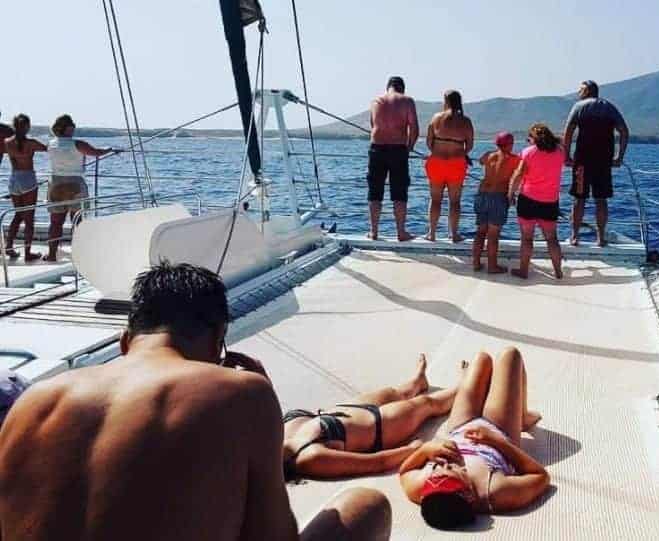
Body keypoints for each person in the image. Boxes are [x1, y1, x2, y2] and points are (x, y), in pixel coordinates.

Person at [0, 262, 391, 541]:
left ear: (125, 340)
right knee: (367, 506)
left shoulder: (35, 399)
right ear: (217, 340)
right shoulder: (242, 393)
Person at [398, 348, 549, 530]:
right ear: (469, 493)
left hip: (460, 427)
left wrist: (426, 450)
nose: (444, 465)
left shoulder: (427, 488)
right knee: (509, 356)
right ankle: (521, 417)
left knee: (481, 359)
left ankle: (504, 403)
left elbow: (404, 472)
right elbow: (541, 477)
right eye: (451, 469)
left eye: (436, 467)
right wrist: (497, 441)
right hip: (499, 429)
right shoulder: (495, 491)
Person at [284, 354, 457, 480]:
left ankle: (418, 382)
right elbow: (376, 463)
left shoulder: (276, 434)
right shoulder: (310, 458)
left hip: (344, 411)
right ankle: (466, 385)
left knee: (396, 392)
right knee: (428, 404)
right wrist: (413, 449)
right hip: (381, 426)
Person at [563, 80, 629, 247]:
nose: (578, 92)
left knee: (579, 199)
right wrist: (619, 156)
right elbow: (624, 131)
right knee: (601, 200)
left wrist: (566, 156)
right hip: (603, 161)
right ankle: (600, 238)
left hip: (582, 161)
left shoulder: (579, 107)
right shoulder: (609, 107)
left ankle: (575, 236)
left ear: (587, 91)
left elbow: (568, 133)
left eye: (581, 89)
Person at [45, 114, 114, 262]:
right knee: (77, 221)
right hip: (75, 183)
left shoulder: (50, 144)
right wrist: (109, 149)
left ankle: (51, 254)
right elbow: (96, 152)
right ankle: (80, 253)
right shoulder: (77, 144)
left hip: (56, 183)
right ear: (68, 128)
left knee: (56, 222)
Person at [508, 124, 565, 280]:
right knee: (552, 239)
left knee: (527, 238)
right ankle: (558, 272)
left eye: (529, 139)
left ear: (533, 139)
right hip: (550, 202)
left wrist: (510, 193)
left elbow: (518, 175)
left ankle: (523, 270)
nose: (528, 142)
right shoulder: (560, 153)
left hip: (528, 200)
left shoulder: (528, 153)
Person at [367, 76, 419, 241]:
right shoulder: (407, 101)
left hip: (377, 149)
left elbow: (372, 124)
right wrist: (409, 147)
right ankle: (401, 232)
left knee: (375, 191)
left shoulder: (375, 101)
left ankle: (374, 231)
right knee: (399, 192)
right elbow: (415, 129)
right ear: (402, 88)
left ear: (387, 86)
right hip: (398, 150)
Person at [425, 90, 474, 243]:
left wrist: (437, 151)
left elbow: (428, 142)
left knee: (435, 200)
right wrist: (460, 153)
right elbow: (470, 145)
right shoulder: (466, 121)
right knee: (455, 201)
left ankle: (431, 233)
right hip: (456, 164)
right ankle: (453, 234)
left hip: (436, 162)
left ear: (445, 101)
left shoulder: (436, 118)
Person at [472, 132, 520, 273]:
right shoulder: (514, 159)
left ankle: (476, 263)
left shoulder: (488, 155)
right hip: (498, 197)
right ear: (510, 145)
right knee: (493, 235)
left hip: (481, 195)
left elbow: (481, 161)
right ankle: (492, 266)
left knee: (480, 232)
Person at [4, 114, 48, 261]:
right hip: (28, 178)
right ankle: (28, 253)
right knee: (29, 218)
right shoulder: (32, 143)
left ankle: (9, 247)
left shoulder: (7, 142)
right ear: (28, 127)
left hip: (14, 179)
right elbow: (49, 149)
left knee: (17, 215)